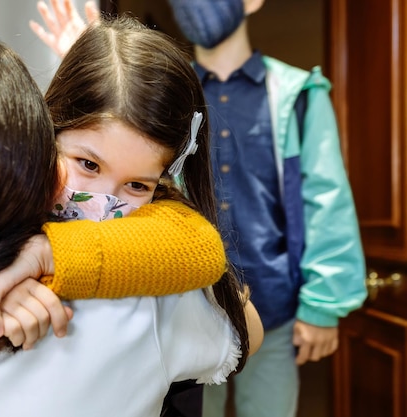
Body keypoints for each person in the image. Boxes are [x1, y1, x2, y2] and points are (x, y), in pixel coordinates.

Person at [0, 23, 262, 417]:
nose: (102, 204)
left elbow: (197, 243)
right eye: (87, 165)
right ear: (40, 136)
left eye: (138, 186)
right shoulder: (150, 306)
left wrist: (49, 253)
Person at [30, 1, 368, 416]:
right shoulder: (162, 90)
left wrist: (323, 305)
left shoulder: (295, 94)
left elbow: (326, 198)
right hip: (178, 294)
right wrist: (94, 61)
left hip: (270, 305)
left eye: (136, 184)